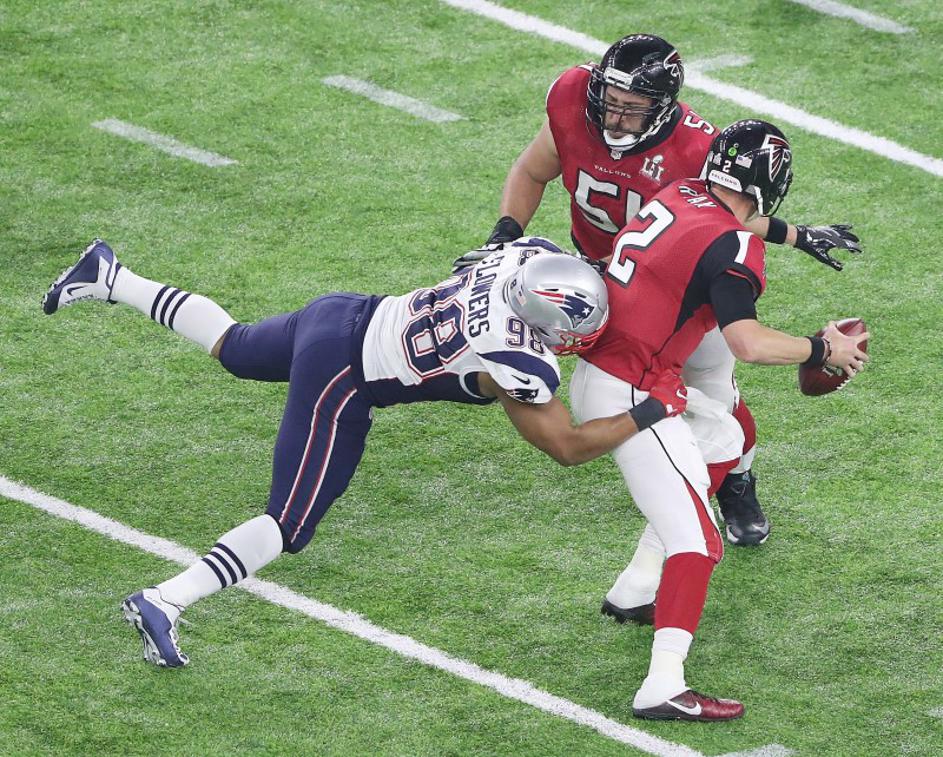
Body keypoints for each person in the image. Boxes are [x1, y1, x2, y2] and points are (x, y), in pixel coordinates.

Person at [41, 236, 689, 668]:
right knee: (287, 523)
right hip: (346, 376)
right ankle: (165, 599)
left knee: (235, 347)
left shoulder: (527, 257)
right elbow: (567, 448)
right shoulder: (519, 357)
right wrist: (653, 407)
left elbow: (487, 261)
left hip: (346, 313)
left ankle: (111, 275)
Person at [455, 34, 862, 557]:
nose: (613, 117)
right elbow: (533, 169)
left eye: (632, 107)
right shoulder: (573, 97)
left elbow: (733, 215)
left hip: (677, 288)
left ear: (664, 105)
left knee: (713, 389)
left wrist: (795, 235)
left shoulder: (696, 149)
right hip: (598, 275)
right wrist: (506, 232)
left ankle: (737, 481)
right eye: (610, 100)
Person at [568, 119, 869, 720]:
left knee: (722, 435)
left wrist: (795, 236)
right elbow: (747, 341)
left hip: (614, 374)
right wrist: (821, 349)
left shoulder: (678, 192)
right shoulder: (734, 245)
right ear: (771, 184)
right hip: (631, 393)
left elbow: (729, 223)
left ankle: (635, 588)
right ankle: (662, 685)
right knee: (699, 542)